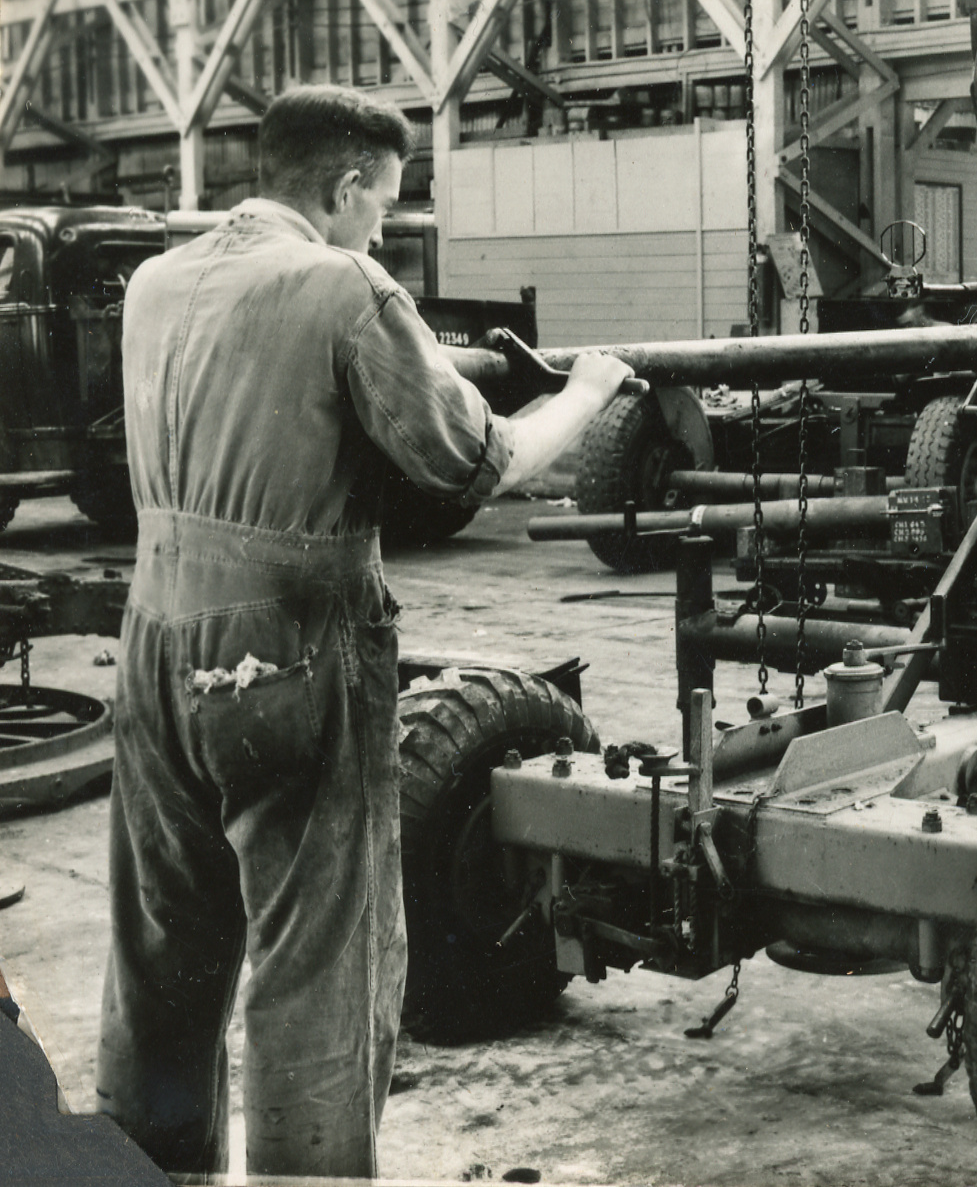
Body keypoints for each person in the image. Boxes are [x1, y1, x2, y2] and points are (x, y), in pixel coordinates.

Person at [95, 84, 633, 1176]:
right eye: (384, 205)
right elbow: (478, 462)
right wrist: (587, 392)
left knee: (163, 952)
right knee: (320, 963)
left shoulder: (154, 281)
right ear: (344, 188)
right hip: (288, 648)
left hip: (151, 640)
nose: (384, 231)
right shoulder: (344, 287)